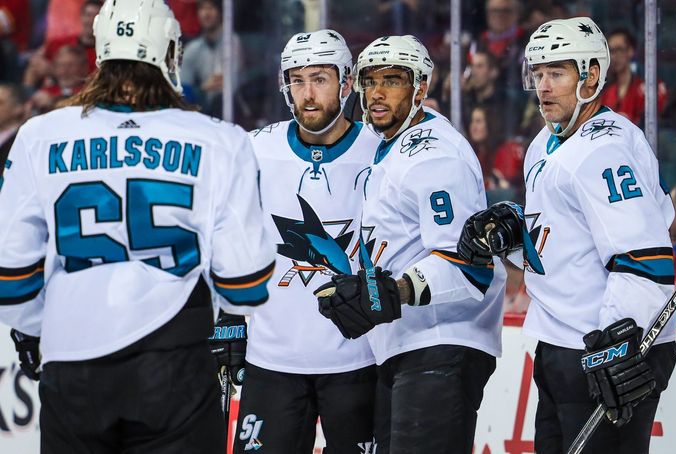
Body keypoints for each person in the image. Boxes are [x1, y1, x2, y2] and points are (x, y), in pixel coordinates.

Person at [0, 1, 275, 453]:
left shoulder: (40, 134)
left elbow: (11, 279)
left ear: (100, 51)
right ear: (171, 52)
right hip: (175, 362)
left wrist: (39, 329)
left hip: (73, 364)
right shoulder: (218, 139)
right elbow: (245, 283)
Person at [458, 17, 676, 453]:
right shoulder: (545, 142)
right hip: (559, 346)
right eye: (537, 74)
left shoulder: (606, 149)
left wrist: (617, 349)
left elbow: (644, 260)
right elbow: (561, 245)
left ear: (592, 76)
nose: (543, 87)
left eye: (556, 73)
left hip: (605, 350)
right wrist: (513, 235)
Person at [314, 35, 506, 453]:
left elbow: (468, 264)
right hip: (407, 344)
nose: (377, 93)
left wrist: (390, 291)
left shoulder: (433, 154)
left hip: (441, 344)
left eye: (393, 80)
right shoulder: (392, 147)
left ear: (420, 88)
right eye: (369, 81)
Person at [227, 29, 379, 454]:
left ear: (346, 84)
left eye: (320, 79)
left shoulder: (381, 151)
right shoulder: (256, 150)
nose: (307, 94)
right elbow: (230, 238)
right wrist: (228, 317)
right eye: (297, 80)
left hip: (359, 363)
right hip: (271, 364)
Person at [601, 27, 666, 127]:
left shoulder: (647, 87)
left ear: (630, 51)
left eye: (619, 50)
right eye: (611, 51)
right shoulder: (606, 93)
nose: (614, 56)